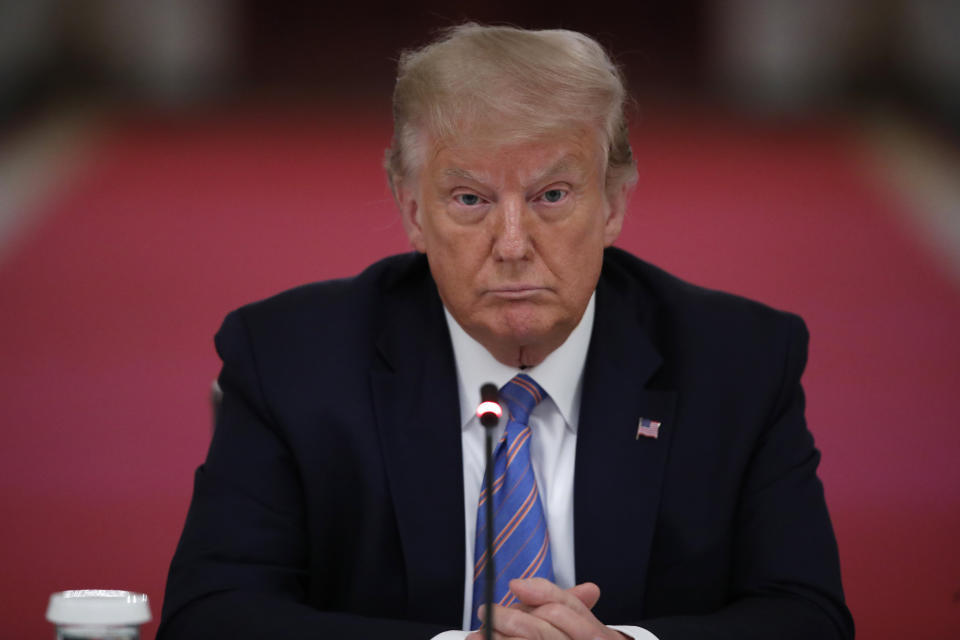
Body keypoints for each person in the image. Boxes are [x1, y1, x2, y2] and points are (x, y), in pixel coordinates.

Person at [158, 24, 854, 640]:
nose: (513, 243)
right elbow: (211, 616)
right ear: (411, 210)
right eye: (470, 199)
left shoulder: (738, 362)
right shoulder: (290, 361)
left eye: (552, 195)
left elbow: (806, 617)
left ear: (613, 205)